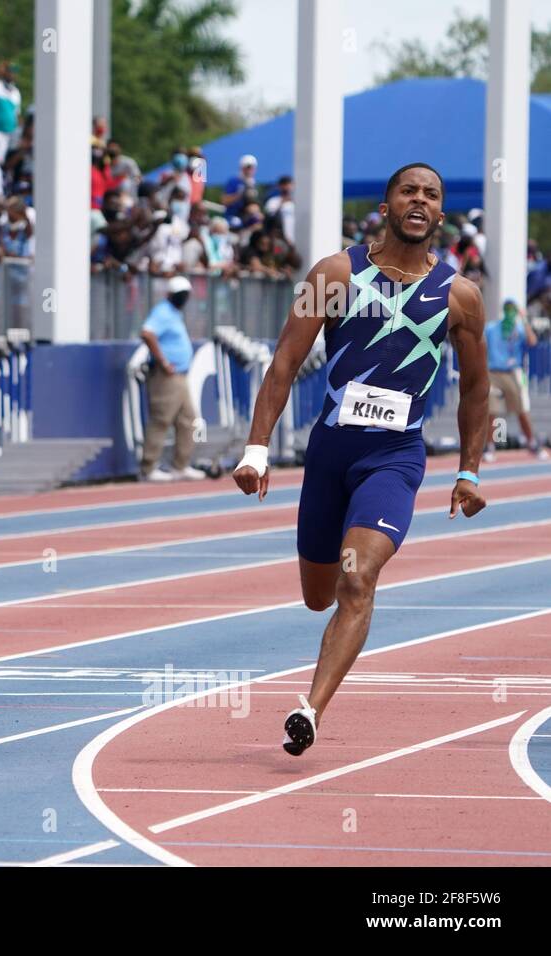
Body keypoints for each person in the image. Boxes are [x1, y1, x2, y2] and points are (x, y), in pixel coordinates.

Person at [233, 163, 488, 756]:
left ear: (441, 214)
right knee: (318, 595)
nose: (418, 200)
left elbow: (477, 392)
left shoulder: (461, 297)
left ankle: (310, 709)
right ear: (387, 205)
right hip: (329, 453)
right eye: (408, 191)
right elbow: (284, 364)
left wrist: (470, 472)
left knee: (357, 579)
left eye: (430, 193)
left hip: (395, 459)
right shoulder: (336, 273)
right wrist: (256, 450)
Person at [139, 276, 204, 481]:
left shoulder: (174, 313)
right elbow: (147, 333)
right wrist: (163, 361)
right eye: (180, 295)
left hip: (180, 375)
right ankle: (148, 468)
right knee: (161, 419)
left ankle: (180, 465)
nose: (183, 298)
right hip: (167, 376)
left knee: (188, 420)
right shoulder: (163, 312)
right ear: (169, 294)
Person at [484, 298, 547, 461]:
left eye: (513, 309)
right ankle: (489, 447)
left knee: (521, 409)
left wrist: (524, 319)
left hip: (512, 373)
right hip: (493, 372)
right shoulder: (492, 328)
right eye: (508, 309)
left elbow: (533, 341)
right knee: (491, 411)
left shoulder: (519, 328)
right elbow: (481, 345)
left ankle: (532, 443)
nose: (510, 312)